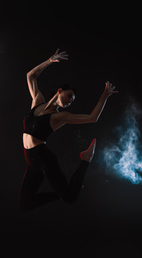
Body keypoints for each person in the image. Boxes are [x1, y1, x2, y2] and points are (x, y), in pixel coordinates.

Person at [19, 49, 118, 210]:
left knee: (70, 197)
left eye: (72, 100)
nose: (70, 101)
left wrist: (104, 96)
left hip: (44, 158)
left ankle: (85, 159)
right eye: (69, 96)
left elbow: (93, 117)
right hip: (30, 161)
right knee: (25, 203)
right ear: (60, 91)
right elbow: (30, 76)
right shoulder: (37, 101)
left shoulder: (60, 116)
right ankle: (63, 192)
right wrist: (49, 61)